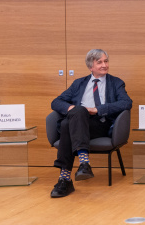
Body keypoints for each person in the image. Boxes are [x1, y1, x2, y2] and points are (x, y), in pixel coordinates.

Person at [50, 49, 132, 198]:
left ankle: (65, 178)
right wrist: (73, 109)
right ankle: (83, 163)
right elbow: (56, 102)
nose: (104, 65)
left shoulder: (116, 83)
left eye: (106, 61)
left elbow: (127, 103)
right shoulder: (79, 83)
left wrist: (98, 109)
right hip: (78, 121)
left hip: (100, 123)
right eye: (99, 62)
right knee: (77, 113)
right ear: (90, 67)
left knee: (65, 126)